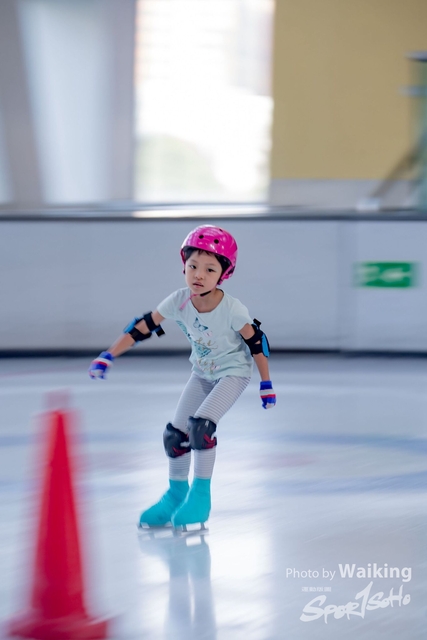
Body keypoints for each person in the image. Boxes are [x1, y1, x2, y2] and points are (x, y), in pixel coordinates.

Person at [88, 225, 276, 529]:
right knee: (175, 435)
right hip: (202, 373)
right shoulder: (179, 301)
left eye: (209, 269)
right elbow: (143, 326)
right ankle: (176, 496)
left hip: (233, 373)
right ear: (184, 266)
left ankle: (200, 499)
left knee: (201, 428)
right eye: (193, 266)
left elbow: (257, 342)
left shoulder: (232, 309)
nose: (198, 275)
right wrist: (108, 355)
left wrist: (266, 383)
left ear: (224, 274)